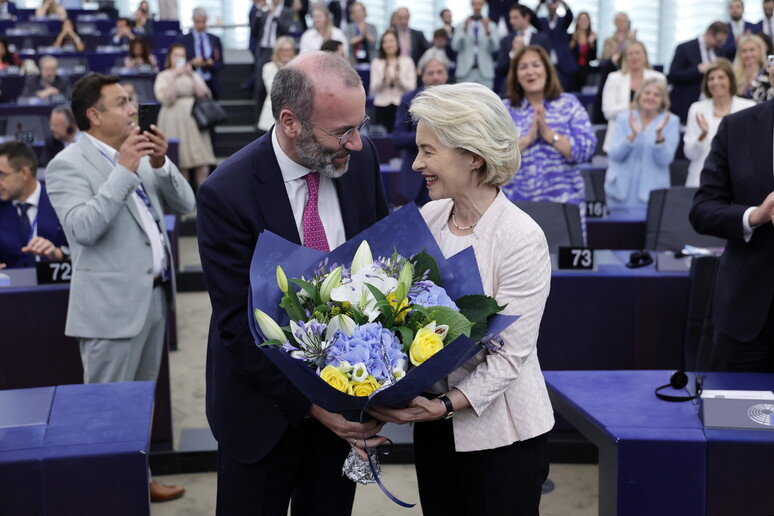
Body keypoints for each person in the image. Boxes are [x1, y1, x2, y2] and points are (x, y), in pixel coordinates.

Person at [196, 51, 389, 515]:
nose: (356, 143)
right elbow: (238, 328)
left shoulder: (360, 163)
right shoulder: (227, 193)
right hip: (261, 413)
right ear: (290, 122)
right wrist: (318, 409)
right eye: (342, 131)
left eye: (359, 125)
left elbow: (380, 269)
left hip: (345, 405)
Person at [368, 82, 554, 516]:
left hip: (503, 435)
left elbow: (510, 357)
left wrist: (443, 406)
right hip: (433, 427)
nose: (416, 164)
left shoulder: (522, 237)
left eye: (428, 151)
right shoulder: (428, 217)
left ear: (473, 155)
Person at [45, 73, 194, 500]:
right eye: (122, 102)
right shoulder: (66, 165)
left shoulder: (139, 155)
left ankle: (137, 481)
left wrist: (162, 164)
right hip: (108, 311)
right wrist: (125, 170)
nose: (133, 110)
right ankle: (105, 494)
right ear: (94, 115)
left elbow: (188, 205)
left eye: (132, 101)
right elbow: (83, 229)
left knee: (140, 403)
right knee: (103, 412)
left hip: (151, 299)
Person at [689, 89, 774, 373]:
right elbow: (702, 210)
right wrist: (755, 216)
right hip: (744, 317)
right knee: (730, 416)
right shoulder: (736, 127)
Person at [502, 45, 596, 205]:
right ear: (516, 76)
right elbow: (495, 160)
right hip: (517, 208)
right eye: (523, 67)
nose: (530, 72)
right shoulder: (504, 110)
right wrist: (527, 139)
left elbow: (586, 150)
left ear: (547, 70)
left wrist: (548, 134)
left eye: (536, 65)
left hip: (565, 204)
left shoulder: (568, 104)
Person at [604, 78, 679, 209]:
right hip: (619, 194)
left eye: (656, 95)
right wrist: (631, 136)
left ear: (663, 100)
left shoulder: (671, 121)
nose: (651, 97)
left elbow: (665, 160)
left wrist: (659, 136)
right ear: (639, 95)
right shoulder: (624, 118)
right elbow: (614, 155)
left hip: (652, 195)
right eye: (647, 93)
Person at [684, 59, 754, 187]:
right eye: (711, 78)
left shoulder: (747, 108)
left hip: (737, 181)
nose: (716, 82)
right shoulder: (697, 109)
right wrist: (702, 135)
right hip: (700, 181)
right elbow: (689, 154)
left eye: (721, 77)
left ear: (731, 80)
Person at [393, 48, 450, 206]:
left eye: (439, 71)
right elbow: (397, 138)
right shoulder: (408, 100)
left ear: (446, 72)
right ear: (422, 74)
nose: (435, 77)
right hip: (416, 179)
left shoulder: (457, 100)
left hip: (450, 178)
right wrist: (430, 136)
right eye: (430, 73)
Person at [154, 44, 216, 188]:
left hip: (193, 118)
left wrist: (192, 74)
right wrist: (174, 76)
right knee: (180, 162)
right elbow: (167, 98)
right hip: (172, 118)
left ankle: (204, 197)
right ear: (170, 57)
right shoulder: (163, 75)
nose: (179, 58)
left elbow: (204, 95)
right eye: (176, 55)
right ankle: (185, 200)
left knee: (201, 160)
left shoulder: (193, 74)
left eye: (182, 55)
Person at [0, 141, 68, 269]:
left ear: (25, 173)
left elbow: (79, 251)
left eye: (1, 175)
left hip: (55, 285)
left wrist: (57, 253)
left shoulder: (60, 202)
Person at [601, 41, 666, 152]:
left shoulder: (658, 78)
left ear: (645, 55)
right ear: (625, 58)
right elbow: (608, 112)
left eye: (637, 53)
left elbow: (663, 108)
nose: (634, 57)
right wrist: (631, 107)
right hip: (619, 139)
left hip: (649, 139)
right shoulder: (614, 78)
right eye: (630, 54)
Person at [668, 21, 729, 123]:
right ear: (709, 33)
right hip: (686, 106)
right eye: (717, 41)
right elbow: (673, 76)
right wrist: (697, 70)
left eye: (721, 42)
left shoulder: (720, 51)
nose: (719, 45)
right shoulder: (685, 48)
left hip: (713, 105)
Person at [252, 0, 294, 123]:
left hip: (280, 49)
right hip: (264, 50)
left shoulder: (287, 11)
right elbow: (254, 29)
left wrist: (275, 15)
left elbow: (285, 29)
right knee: (259, 87)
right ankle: (259, 120)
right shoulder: (265, 11)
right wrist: (259, 12)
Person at [370, 29, 416, 132]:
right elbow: (373, 88)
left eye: (391, 41)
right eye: (385, 42)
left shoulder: (407, 61)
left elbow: (412, 87)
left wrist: (399, 80)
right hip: (382, 105)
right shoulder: (377, 62)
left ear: (397, 43)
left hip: (402, 104)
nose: (388, 44)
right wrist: (383, 80)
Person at [496, 4, 551, 86]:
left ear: (526, 17)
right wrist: (513, 53)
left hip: (537, 86)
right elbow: (501, 68)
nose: (511, 21)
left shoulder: (542, 39)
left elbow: (547, 65)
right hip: (511, 88)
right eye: (510, 18)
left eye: (515, 18)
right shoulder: (505, 40)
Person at [450, 0, 499, 89]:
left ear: (483, 5)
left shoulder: (491, 25)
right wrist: (464, 31)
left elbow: (495, 48)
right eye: (475, 4)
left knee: (486, 99)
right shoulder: (461, 24)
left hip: (484, 72)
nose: (477, 7)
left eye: (480, 4)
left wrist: (488, 31)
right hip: (465, 71)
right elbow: (455, 46)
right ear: (471, 5)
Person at [177, 7, 223, 99]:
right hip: (191, 81)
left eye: (203, 22)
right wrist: (192, 63)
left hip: (211, 82)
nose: (201, 25)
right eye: (198, 22)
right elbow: (178, 62)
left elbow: (220, 62)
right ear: (193, 21)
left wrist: (211, 63)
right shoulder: (183, 40)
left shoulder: (215, 40)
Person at [535, 0, 577, 92]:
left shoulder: (563, 20)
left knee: (564, 88)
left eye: (554, 3)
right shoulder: (542, 21)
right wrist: (541, 3)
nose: (551, 5)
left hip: (562, 62)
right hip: (546, 59)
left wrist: (562, 2)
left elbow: (570, 16)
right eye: (549, 3)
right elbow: (532, 19)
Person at [257, 36, 296, 132]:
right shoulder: (268, 67)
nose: (286, 53)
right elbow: (274, 89)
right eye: (283, 50)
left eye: (288, 50)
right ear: (277, 52)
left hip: (294, 114)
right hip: (273, 115)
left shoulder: (298, 67)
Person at [569, 11, 597, 91]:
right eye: (581, 19)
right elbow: (568, 55)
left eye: (585, 20)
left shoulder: (592, 37)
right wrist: (574, 40)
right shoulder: (571, 36)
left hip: (586, 72)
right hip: (573, 72)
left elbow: (593, 57)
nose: (583, 22)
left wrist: (590, 43)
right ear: (577, 21)